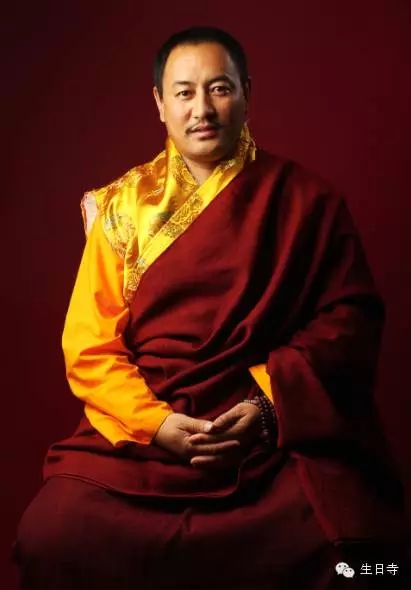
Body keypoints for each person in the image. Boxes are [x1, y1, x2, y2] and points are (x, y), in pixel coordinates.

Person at [14, 26, 409, 589]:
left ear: (246, 93)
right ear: (159, 103)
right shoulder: (122, 209)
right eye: (184, 92)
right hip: (147, 437)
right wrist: (160, 425)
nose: (202, 109)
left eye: (219, 89)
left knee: (351, 552)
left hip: (263, 439)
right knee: (51, 534)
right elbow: (89, 346)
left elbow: (349, 321)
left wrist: (267, 403)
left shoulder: (305, 201)